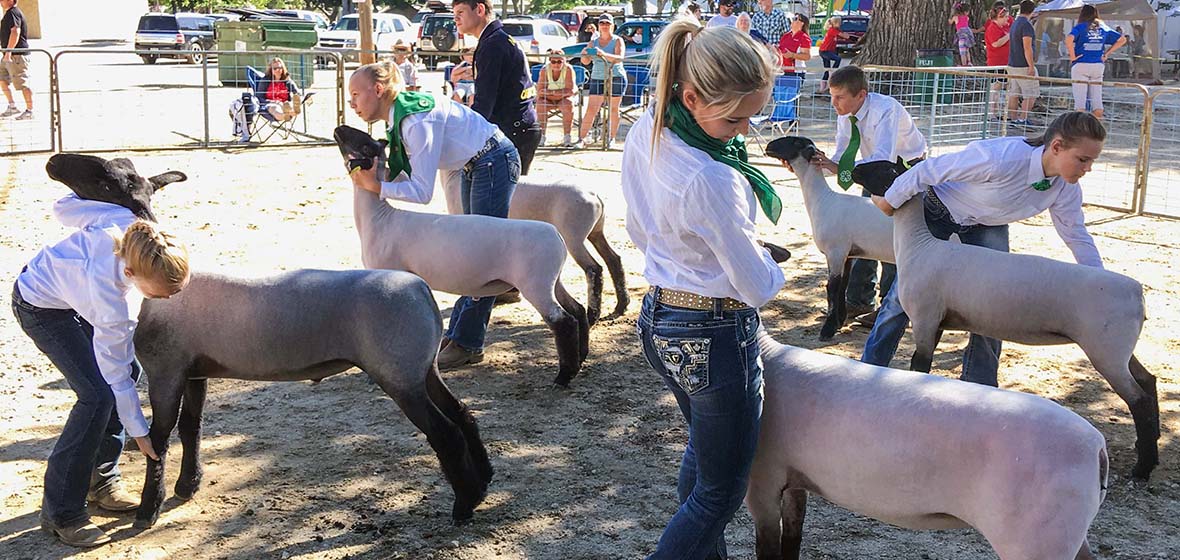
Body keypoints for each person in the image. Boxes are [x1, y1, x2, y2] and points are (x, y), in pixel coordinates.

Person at [623, 21, 784, 560]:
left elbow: (640, 231)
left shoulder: (648, 125)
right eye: (735, 117)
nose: (742, 131)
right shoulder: (712, 177)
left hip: (660, 318)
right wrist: (767, 261)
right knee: (719, 493)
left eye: (752, 116)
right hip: (715, 332)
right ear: (690, 95)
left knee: (704, 461)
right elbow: (756, 286)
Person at [863, 111, 1108, 386]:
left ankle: (979, 385)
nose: (1088, 168)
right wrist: (890, 200)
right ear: (1056, 146)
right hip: (938, 211)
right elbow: (927, 170)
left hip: (987, 225)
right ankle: (869, 370)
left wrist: (1099, 283)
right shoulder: (999, 157)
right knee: (902, 297)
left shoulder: (1065, 188)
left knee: (993, 303)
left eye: (1091, 161)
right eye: (1083, 159)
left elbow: (1076, 234)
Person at [14, 197, 190, 547]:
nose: (168, 299)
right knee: (96, 396)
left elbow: (63, 209)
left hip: (72, 296)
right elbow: (116, 378)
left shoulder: (125, 220)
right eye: (162, 293)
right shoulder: (113, 304)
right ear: (130, 274)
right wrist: (141, 433)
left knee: (127, 372)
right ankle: (62, 512)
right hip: (40, 305)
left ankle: (101, 478)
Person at [346, 61, 520, 369]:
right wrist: (379, 182)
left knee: (480, 255)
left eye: (356, 94)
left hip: (491, 160)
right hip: (475, 163)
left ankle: (468, 342)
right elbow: (408, 174)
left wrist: (376, 186)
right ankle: (458, 335)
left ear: (378, 89)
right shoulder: (399, 116)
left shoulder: (414, 122)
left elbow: (421, 192)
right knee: (471, 252)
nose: (352, 103)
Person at [794, 65, 926, 325]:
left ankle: (890, 305)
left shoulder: (886, 110)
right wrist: (824, 163)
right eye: (832, 96)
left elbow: (884, 157)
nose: (834, 103)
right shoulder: (845, 114)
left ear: (861, 95)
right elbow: (843, 152)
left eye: (840, 97)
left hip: (904, 170)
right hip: (871, 170)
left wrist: (842, 168)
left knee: (892, 237)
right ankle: (857, 300)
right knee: (862, 232)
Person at [451, 0, 541, 175]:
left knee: (498, 199)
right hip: (518, 127)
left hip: (512, 129)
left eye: (460, 12)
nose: (456, 19)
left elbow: (484, 104)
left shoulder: (492, 44)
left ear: (480, 9)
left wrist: (460, 133)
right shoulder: (496, 39)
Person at [1065, 3, 1127, 120]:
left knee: (1080, 102)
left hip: (1081, 63)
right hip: (1098, 65)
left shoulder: (1081, 27)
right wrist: (1107, 53)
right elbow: (1122, 39)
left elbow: (1069, 39)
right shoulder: (1103, 27)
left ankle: (1080, 129)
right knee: (1097, 99)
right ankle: (1097, 128)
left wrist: (1072, 56)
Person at [574, 15, 626, 149]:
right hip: (597, 76)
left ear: (612, 26)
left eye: (607, 23)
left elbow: (619, 58)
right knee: (592, 108)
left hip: (616, 76)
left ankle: (611, 138)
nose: (604, 25)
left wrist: (602, 54)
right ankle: (582, 139)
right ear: (598, 26)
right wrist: (585, 53)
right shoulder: (593, 42)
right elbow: (586, 62)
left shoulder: (618, 40)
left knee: (614, 109)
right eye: (602, 23)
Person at [1006, 0, 1039, 126]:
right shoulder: (1026, 25)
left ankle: (1013, 118)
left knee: (1014, 93)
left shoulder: (1014, 23)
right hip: (1023, 64)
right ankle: (1023, 118)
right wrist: (1031, 66)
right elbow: (1027, 47)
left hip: (1012, 63)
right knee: (1030, 93)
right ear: (1032, 10)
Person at [536, 51, 577, 147]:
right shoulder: (544, 70)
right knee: (540, 105)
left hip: (563, 99)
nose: (556, 64)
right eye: (553, 62)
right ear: (550, 61)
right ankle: (541, 137)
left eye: (559, 61)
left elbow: (570, 91)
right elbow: (540, 90)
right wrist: (558, 93)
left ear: (564, 61)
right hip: (548, 99)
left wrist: (551, 93)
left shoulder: (568, 69)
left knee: (568, 104)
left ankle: (567, 137)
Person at [0, 0, 33, 120]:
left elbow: (15, 31)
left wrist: (9, 51)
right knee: (2, 79)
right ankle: (12, 106)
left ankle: (30, 110)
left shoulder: (13, 13)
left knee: (22, 82)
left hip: (16, 55)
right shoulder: (9, 13)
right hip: (7, 55)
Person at [984, 3, 1011, 117]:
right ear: (999, 17)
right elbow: (995, 43)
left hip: (1005, 62)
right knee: (995, 89)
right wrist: (1009, 36)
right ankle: (992, 113)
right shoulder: (992, 28)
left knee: (1001, 88)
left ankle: (998, 112)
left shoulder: (1003, 27)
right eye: (1005, 17)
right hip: (995, 63)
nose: (1007, 19)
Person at [817, 16, 848, 93]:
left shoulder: (836, 30)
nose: (841, 24)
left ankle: (822, 89)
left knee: (826, 69)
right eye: (840, 22)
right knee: (838, 59)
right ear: (836, 23)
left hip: (827, 50)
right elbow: (845, 36)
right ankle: (833, 72)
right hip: (824, 51)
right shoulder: (832, 30)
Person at [778, 14, 811, 79]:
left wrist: (792, 55)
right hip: (783, 70)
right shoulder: (786, 36)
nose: (792, 20)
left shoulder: (804, 38)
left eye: (795, 18)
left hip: (796, 71)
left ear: (802, 23)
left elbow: (807, 56)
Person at [949, 2, 975, 66]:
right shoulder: (966, 18)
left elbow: (950, 22)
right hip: (968, 36)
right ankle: (969, 61)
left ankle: (964, 64)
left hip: (961, 36)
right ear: (965, 12)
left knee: (962, 51)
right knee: (967, 49)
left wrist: (950, 17)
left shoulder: (956, 17)